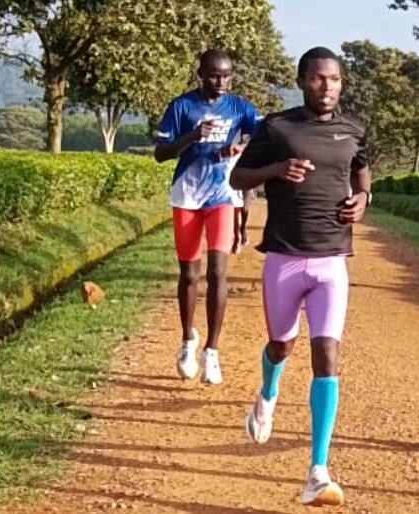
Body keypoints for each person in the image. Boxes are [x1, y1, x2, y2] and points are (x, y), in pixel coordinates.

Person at [230, 46, 370, 507]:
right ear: (301, 81)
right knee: (281, 345)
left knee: (326, 355)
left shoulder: (353, 129)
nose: (326, 86)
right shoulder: (277, 128)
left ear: (341, 83)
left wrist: (364, 198)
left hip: (332, 260)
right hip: (284, 258)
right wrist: (277, 169)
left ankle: (318, 470)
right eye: (317, 78)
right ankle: (268, 392)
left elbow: (361, 167)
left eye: (334, 79)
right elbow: (238, 178)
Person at [154, 49, 263, 385]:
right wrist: (193, 136)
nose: (221, 82)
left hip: (223, 194)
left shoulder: (240, 107)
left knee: (218, 272)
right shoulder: (181, 106)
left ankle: (212, 352)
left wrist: (240, 149)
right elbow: (161, 153)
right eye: (214, 75)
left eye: (227, 75)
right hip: (187, 195)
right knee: (189, 274)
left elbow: (265, 137)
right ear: (200, 74)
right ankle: (188, 340)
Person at [231, 186, 254, 254]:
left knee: (244, 208)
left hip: (246, 183)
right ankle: (237, 238)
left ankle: (243, 229)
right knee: (235, 209)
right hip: (233, 183)